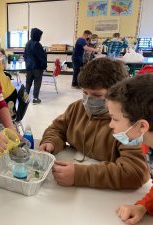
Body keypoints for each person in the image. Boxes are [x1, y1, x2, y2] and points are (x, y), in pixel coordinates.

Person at [39, 58, 149, 189]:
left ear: (116, 94)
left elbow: (135, 172)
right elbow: (57, 129)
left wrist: (80, 175)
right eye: (85, 93)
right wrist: (50, 142)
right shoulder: (77, 108)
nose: (88, 100)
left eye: (97, 95)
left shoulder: (126, 124)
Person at [106, 74, 153, 224]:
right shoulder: (147, 143)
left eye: (115, 119)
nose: (110, 125)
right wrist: (143, 205)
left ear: (142, 126)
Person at [24, 28, 47, 104]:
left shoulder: (28, 43)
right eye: (40, 35)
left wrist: (27, 65)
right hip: (37, 68)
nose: (40, 37)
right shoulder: (37, 44)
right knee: (37, 83)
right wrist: (44, 66)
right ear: (37, 35)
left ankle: (25, 98)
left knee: (28, 82)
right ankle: (35, 98)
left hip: (29, 67)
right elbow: (41, 57)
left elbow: (25, 55)